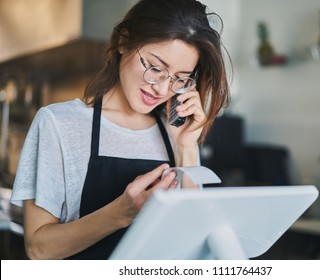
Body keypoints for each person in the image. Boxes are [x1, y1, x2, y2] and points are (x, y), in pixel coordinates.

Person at [10, 0, 231, 260]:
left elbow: (193, 243)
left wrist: (186, 150)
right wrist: (119, 213)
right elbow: (39, 249)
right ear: (124, 42)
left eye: (180, 78)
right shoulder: (59, 123)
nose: (161, 89)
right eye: (156, 68)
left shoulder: (178, 134)